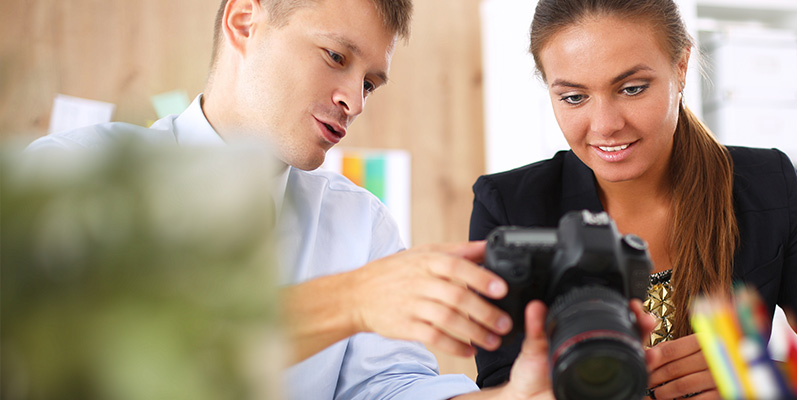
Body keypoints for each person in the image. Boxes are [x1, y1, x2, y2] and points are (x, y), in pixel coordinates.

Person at [25, 0, 616, 399]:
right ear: (244, 19)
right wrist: (350, 300)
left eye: (369, 82)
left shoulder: (361, 224)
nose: (353, 101)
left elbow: (390, 393)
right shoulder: (71, 172)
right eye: (336, 57)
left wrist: (518, 398)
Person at [469, 0, 797, 399]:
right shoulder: (508, 207)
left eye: (632, 88)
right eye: (574, 97)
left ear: (681, 67)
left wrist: (761, 382)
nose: (606, 125)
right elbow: (500, 388)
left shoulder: (767, 185)